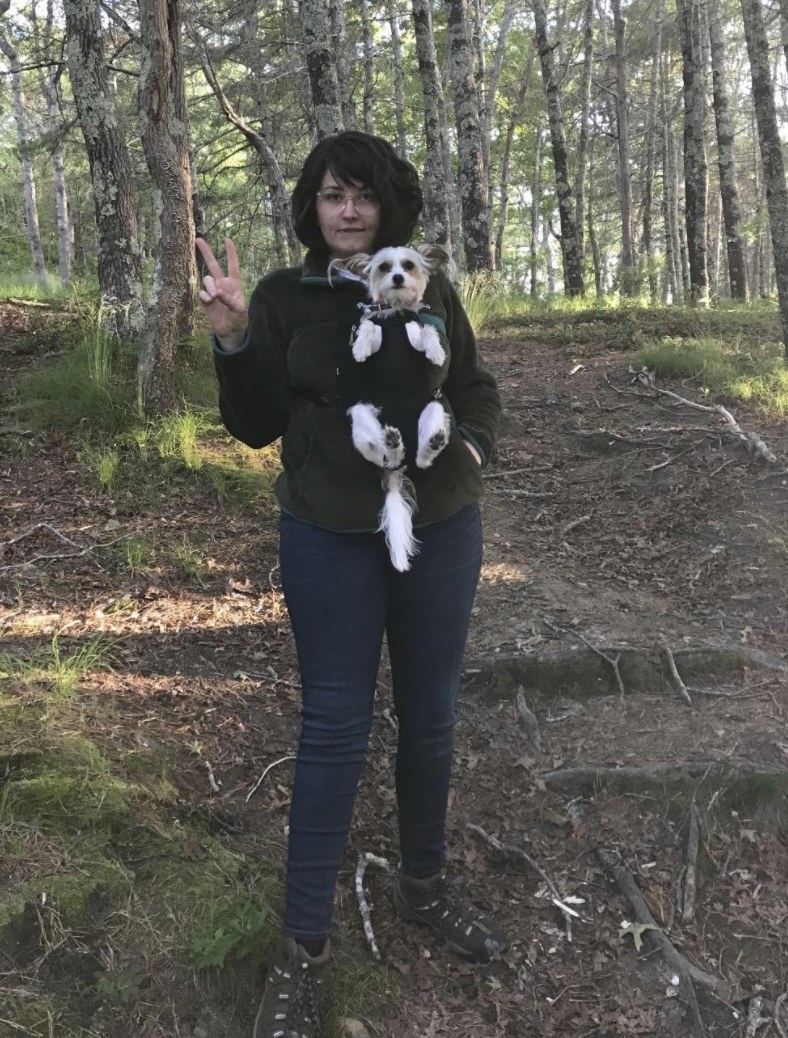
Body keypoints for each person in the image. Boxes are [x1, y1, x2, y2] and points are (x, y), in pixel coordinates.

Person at [197, 130, 506, 1038]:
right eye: (332, 194)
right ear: (312, 206)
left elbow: (477, 385)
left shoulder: (429, 283)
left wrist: (475, 452)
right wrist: (233, 339)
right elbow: (254, 426)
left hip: (441, 524)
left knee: (432, 714)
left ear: (387, 204)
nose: (347, 210)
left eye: (362, 194)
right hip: (328, 532)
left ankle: (424, 886)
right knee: (334, 727)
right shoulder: (284, 297)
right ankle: (302, 951)